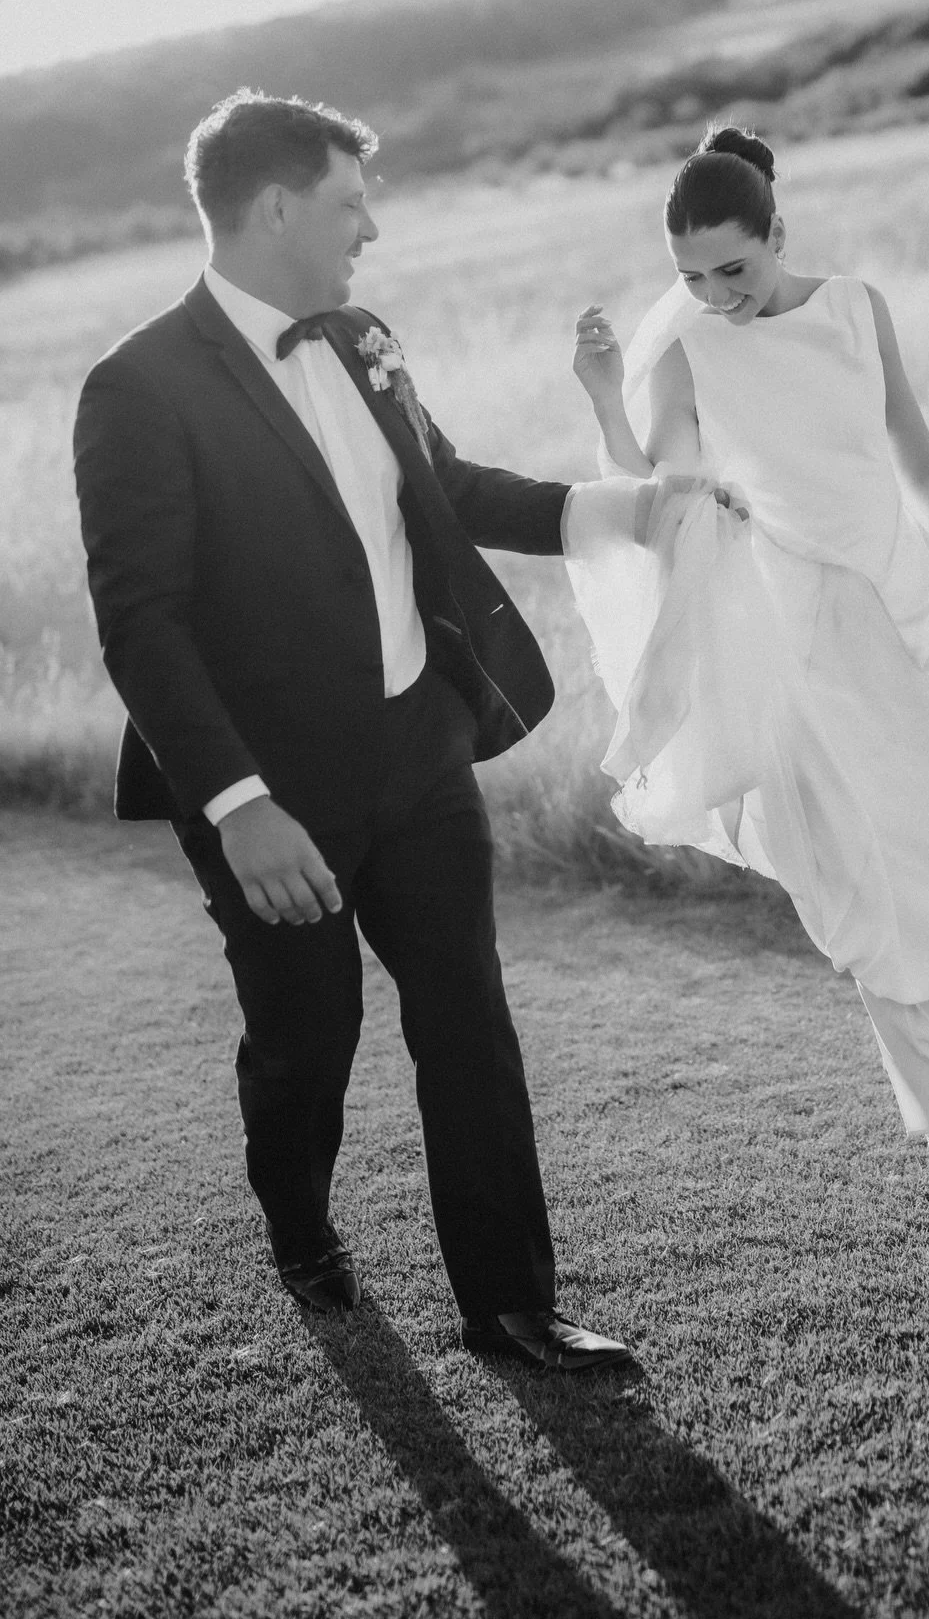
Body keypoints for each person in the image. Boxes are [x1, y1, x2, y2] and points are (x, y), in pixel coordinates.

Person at [73, 89, 629, 1371]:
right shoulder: (137, 386)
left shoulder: (365, 335)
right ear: (274, 209)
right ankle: (300, 1229)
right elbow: (141, 622)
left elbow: (449, 486)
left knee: (467, 1021)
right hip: (273, 795)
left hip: (419, 750)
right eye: (348, 202)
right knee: (305, 1040)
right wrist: (237, 805)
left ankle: (512, 1307)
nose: (368, 228)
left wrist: (621, 513)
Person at [568, 124, 929, 1212]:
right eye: (691, 277)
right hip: (785, 637)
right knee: (855, 881)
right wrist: (603, 393)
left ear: (778, 233)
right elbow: (661, 487)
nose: (715, 296)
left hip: (903, 621)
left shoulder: (856, 307)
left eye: (735, 270)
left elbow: (918, 457)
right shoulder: (687, 347)